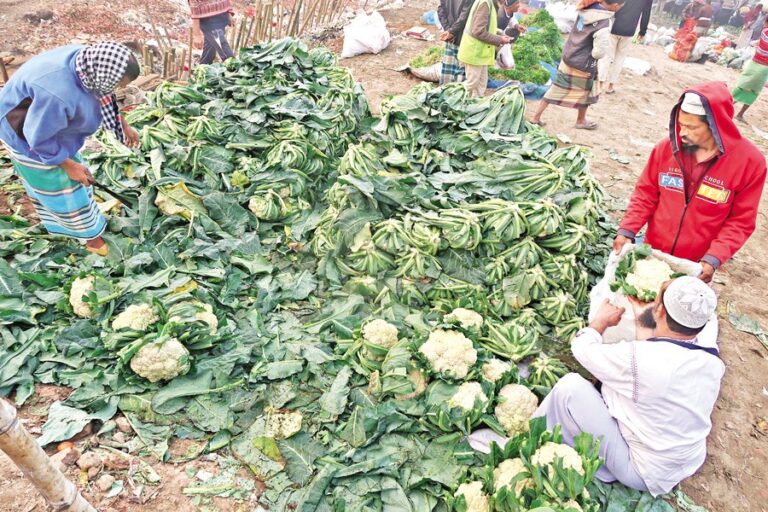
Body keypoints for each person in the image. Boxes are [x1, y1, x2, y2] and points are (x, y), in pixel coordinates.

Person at [535, 277, 724, 496]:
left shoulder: (640, 361)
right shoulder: (711, 360)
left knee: (570, 387)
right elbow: (655, 362)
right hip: (680, 464)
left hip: (641, 472)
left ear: (660, 310)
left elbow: (581, 348)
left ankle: (536, 434)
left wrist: (600, 321)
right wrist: (642, 319)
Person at [613, 83, 767, 283]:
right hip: (653, 253)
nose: (682, 132)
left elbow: (741, 221)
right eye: (681, 124)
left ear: (716, 125)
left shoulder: (749, 162)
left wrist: (714, 258)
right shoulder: (666, 149)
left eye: (691, 127)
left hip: (697, 263)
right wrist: (627, 229)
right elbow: (646, 194)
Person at [0, 42, 141, 256]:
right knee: (60, 187)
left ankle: (83, 220)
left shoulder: (88, 64)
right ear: (102, 75)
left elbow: (102, 93)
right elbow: (38, 140)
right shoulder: (57, 93)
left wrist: (122, 123)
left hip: (50, 128)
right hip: (25, 134)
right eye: (116, 85)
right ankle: (90, 238)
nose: (117, 90)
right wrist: (66, 164)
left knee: (75, 177)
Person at [530, 0, 627, 130]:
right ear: (615, 6)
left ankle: (535, 117)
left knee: (555, 88)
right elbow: (598, 52)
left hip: (569, 54)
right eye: (620, 6)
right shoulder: (604, 22)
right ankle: (580, 121)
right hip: (583, 64)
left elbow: (579, 29)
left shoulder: (585, 8)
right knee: (587, 92)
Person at [457, 0, 513, 97]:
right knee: (471, 83)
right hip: (474, 52)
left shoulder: (490, 3)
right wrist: (499, 39)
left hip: (480, 54)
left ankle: (474, 107)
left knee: (481, 84)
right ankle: (448, 96)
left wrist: (500, 33)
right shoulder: (485, 3)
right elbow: (478, 31)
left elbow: (486, 26)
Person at [599, 0, 653, 94]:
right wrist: (642, 31)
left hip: (614, 26)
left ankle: (600, 85)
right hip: (629, 30)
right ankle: (610, 86)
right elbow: (646, 13)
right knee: (620, 58)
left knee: (607, 56)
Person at [733, 15, 768, 120]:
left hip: (754, 64)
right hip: (764, 68)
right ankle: (740, 114)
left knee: (741, 86)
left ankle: (728, 105)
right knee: (754, 91)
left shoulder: (765, 32)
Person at [438, 0, 474, 85]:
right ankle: (456, 94)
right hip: (463, 37)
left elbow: (440, 10)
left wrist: (448, 30)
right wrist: (450, 32)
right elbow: (464, 17)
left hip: (450, 36)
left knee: (448, 68)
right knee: (461, 69)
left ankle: (443, 94)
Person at [189, 0, 236, 64]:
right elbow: (194, 7)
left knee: (210, 50)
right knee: (223, 47)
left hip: (222, 15)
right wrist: (196, 35)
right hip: (208, 21)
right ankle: (234, 67)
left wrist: (229, 12)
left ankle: (204, 68)